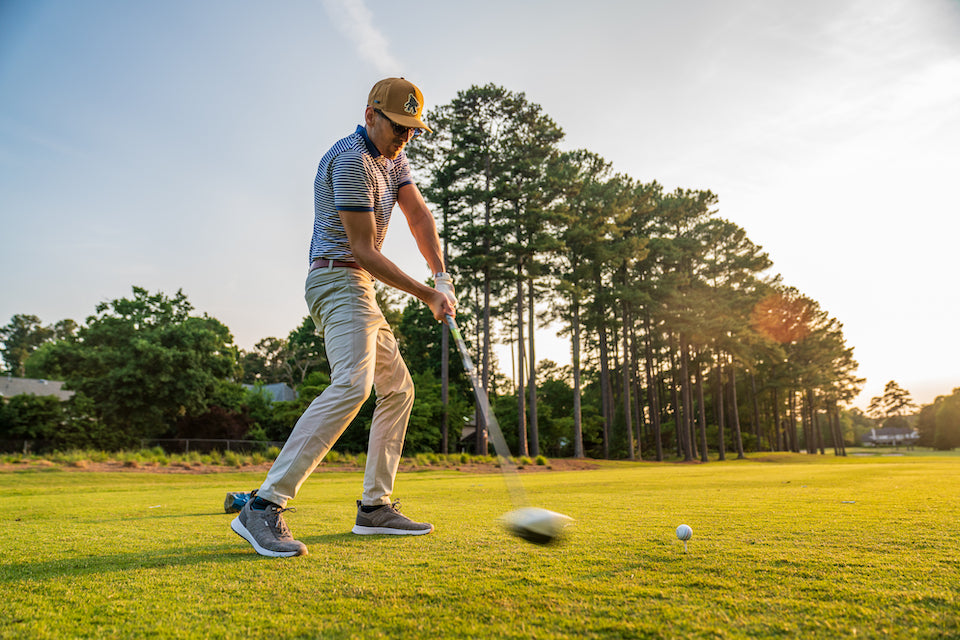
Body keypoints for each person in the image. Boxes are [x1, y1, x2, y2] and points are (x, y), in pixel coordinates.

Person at [231, 77, 456, 558]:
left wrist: (442, 277)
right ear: (371, 115)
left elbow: (418, 216)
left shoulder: (393, 159)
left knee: (398, 389)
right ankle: (263, 506)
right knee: (353, 384)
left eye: (412, 130)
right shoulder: (352, 159)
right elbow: (364, 250)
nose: (405, 138)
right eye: (398, 127)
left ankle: (375, 507)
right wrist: (425, 296)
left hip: (360, 285)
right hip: (337, 278)